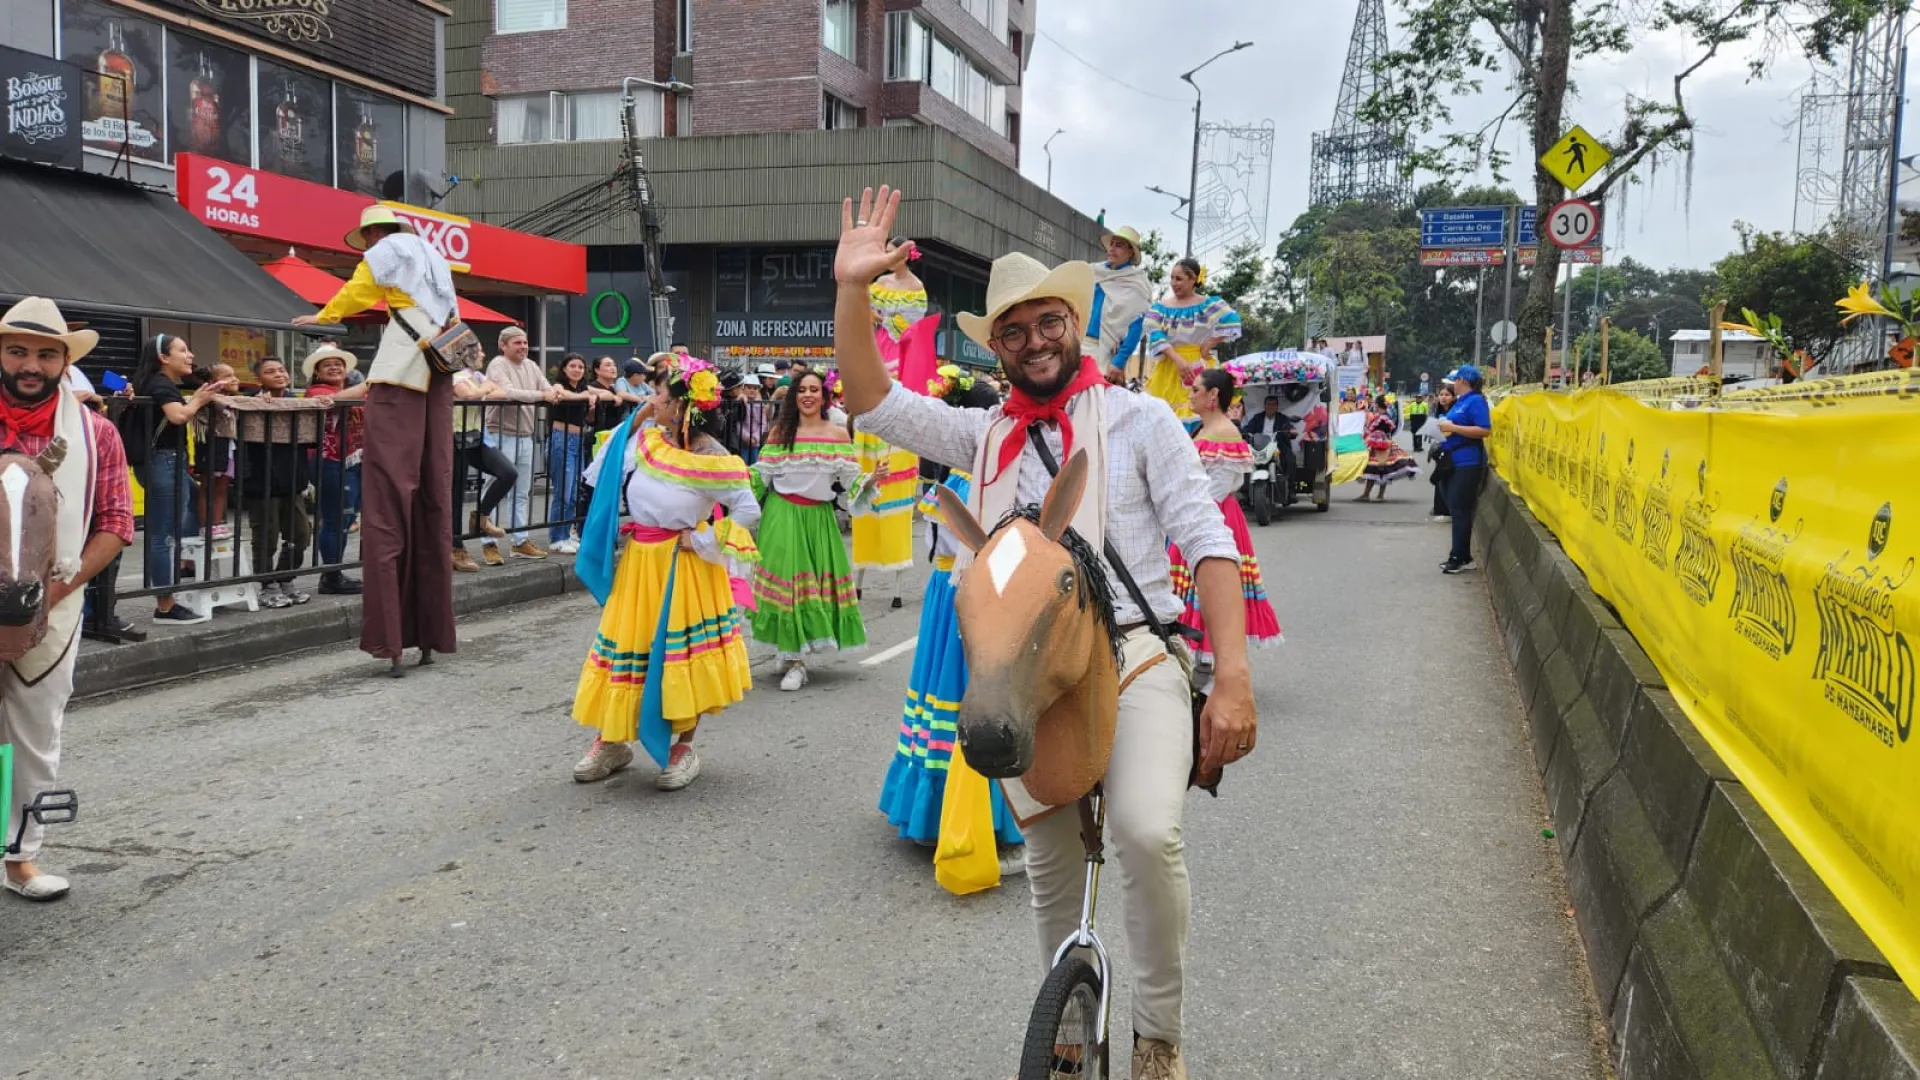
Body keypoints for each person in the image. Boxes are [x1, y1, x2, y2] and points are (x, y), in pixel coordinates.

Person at [833, 187, 1255, 1079]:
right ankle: (1068, 1043)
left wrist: (1235, 680)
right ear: (996, 347)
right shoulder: (976, 433)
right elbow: (871, 400)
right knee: (1050, 870)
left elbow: (1208, 542)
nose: (1034, 342)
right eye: (1014, 331)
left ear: (1076, 325)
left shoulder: (1144, 421)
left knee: (1145, 833)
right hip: (1029, 677)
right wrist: (850, 291)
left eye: (1048, 323)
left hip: (1136, 657)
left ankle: (1159, 1037)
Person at [569, 358, 759, 791]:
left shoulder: (713, 456)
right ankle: (613, 740)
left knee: (679, 656)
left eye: (664, 398)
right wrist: (637, 418)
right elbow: (603, 465)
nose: (656, 402)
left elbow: (748, 509)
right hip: (640, 562)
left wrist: (705, 541)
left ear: (685, 407)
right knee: (630, 647)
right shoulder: (649, 441)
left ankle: (683, 746)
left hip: (683, 566)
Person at [0, 298, 135, 901]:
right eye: (18, 351)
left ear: (62, 362)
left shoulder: (96, 431)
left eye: (45, 354)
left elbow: (115, 521)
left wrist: (55, 591)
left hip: (53, 605)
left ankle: (19, 858)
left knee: (33, 733)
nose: (31, 364)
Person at [294, 204, 459, 675]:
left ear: (374, 233)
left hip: (402, 365)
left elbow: (359, 289)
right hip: (437, 370)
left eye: (366, 238)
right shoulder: (434, 255)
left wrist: (324, 316)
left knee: (386, 504)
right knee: (433, 498)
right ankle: (430, 633)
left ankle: (391, 639)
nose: (367, 246)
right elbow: (451, 313)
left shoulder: (387, 249)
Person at [877, 376, 1023, 866]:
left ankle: (930, 809)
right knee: (977, 697)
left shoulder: (949, 484)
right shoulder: (986, 482)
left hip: (944, 593)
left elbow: (934, 549)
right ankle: (987, 814)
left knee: (941, 694)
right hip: (978, 595)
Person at [751, 370, 867, 691]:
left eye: (814, 389)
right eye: (801, 389)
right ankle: (793, 656)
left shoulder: (837, 434)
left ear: (823, 395)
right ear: (793, 396)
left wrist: (871, 481)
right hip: (781, 514)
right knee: (787, 586)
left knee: (809, 588)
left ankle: (797, 659)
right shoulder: (779, 433)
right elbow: (760, 479)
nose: (807, 395)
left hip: (818, 519)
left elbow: (848, 481)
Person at [1167, 369, 1283, 668]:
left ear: (1213, 396)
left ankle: (1209, 657)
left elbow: (1220, 487)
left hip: (1212, 517)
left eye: (1195, 390)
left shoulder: (1226, 432)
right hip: (1196, 514)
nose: (1190, 395)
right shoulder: (1203, 429)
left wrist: (1191, 515)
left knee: (1209, 583)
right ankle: (1192, 654)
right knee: (1187, 583)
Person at [130, 333, 234, 624]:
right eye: (183, 350)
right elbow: (177, 416)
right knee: (161, 535)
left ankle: (186, 565)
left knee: (192, 507)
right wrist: (199, 400)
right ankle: (165, 605)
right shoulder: (161, 383)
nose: (190, 355)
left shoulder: (157, 382)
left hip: (166, 461)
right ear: (163, 358)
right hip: (162, 462)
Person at [852, 245, 927, 573]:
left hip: (903, 346)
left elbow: (915, 325)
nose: (890, 257)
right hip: (879, 342)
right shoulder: (880, 280)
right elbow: (864, 309)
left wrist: (893, 321)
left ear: (906, 256)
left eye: (894, 253)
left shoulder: (917, 288)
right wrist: (873, 317)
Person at [240, 357, 315, 608]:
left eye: (282, 369)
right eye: (270, 371)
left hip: (292, 479)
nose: (279, 374)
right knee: (266, 536)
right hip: (261, 480)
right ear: (259, 379)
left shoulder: (297, 402)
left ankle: (285, 578)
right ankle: (266, 585)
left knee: (301, 534)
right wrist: (255, 403)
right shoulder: (249, 401)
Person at [483, 327, 558, 560]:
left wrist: (551, 392)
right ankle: (489, 542)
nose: (523, 347)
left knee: (522, 491)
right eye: (517, 343)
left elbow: (547, 387)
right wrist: (542, 395)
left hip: (525, 434)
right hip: (500, 433)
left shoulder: (532, 366)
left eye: (525, 342)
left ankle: (520, 540)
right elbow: (507, 392)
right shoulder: (497, 364)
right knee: (495, 488)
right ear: (503, 345)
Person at [300, 345, 365, 595]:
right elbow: (336, 402)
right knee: (336, 519)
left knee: (346, 519)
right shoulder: (317, 391)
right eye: (327, 364)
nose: (335, 367)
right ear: (317, 372)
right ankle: (330, 575)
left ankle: (334, 572)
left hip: (354, 460)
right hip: (330, 461)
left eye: (338, 363)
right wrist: (376, 379)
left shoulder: (350, 390)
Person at [1143, 258, 1241, 421]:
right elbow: (1155, 332)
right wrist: (1176, 359)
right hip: (1169, 366)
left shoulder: (1207, 304)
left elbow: (1232, 320)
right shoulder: (1161, 307)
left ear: (1193, 279)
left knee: (1198, 414)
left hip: (1198, 365)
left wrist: (1209, 344)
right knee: (1163, 415)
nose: (1174, 283)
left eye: (1179, 279)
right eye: (1172, 279)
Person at [448, 350, 518, 573]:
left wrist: (482, 391)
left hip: (476, 437)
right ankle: (455, 548)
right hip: (452, 438)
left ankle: (481, 516)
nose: (482, 353)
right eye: (477, 350)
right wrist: (483, 391)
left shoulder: (475, 377)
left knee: (508, 473)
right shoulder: (455, 375)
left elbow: (501, 393)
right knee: (455, 496)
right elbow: (467, 395)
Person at [1434, 365, 1492, 574]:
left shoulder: (1476, 401)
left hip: (1467, 463)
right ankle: (1462, 555)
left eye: (1454, 381)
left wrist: (1453, 428)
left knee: (1460, 510)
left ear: (1463, 381)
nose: (1452, 385)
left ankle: (1458, 557)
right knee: (1454, 506)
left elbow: (1484, 430)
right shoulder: (1462, 402)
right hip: (1453, 461)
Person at [545, 353, 599, 555]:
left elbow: (593, 411)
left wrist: (592, 404)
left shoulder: (583, 388)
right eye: (573, 366)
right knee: (563, 491)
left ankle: (567, 534)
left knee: (575, 491)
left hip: (577, 440)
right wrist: (586, 396)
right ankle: (556, 537)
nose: (577, 370)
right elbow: (562, 395)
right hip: (561, 438)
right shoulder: (559, 385)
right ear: (564, 369)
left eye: (581, 367)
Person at [1087, 225, 1151, 378]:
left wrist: (1120, 359)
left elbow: (1138, 324)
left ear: (1130, 252)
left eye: (1119, 245)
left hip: (1106, 351)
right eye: (1112, 244)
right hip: (1078, 343)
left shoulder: (1137, 284)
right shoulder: (1094, 272)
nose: (1112, 249)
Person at [1356, 396, 1418, 501]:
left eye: (1375, 404)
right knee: (1378, 469)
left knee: (1379, 468)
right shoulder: (1383, 416)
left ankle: (1374, 494)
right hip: (1381, 443)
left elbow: (1383, 431)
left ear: (1377, 405)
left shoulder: (1383, 417)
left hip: (1380, 445)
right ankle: (1371, 494)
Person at [1427, 385, 1456, 521]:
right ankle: (1438, 508)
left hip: (1451, 450)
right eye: (1441, 395)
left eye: (1447, 395)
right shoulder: (1437, 411)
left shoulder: (1456, 413)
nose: (1443, 398)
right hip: (1439, 450)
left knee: (1446, 479)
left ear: (1454, 397)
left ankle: (1447, 511)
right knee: (1438, 479)